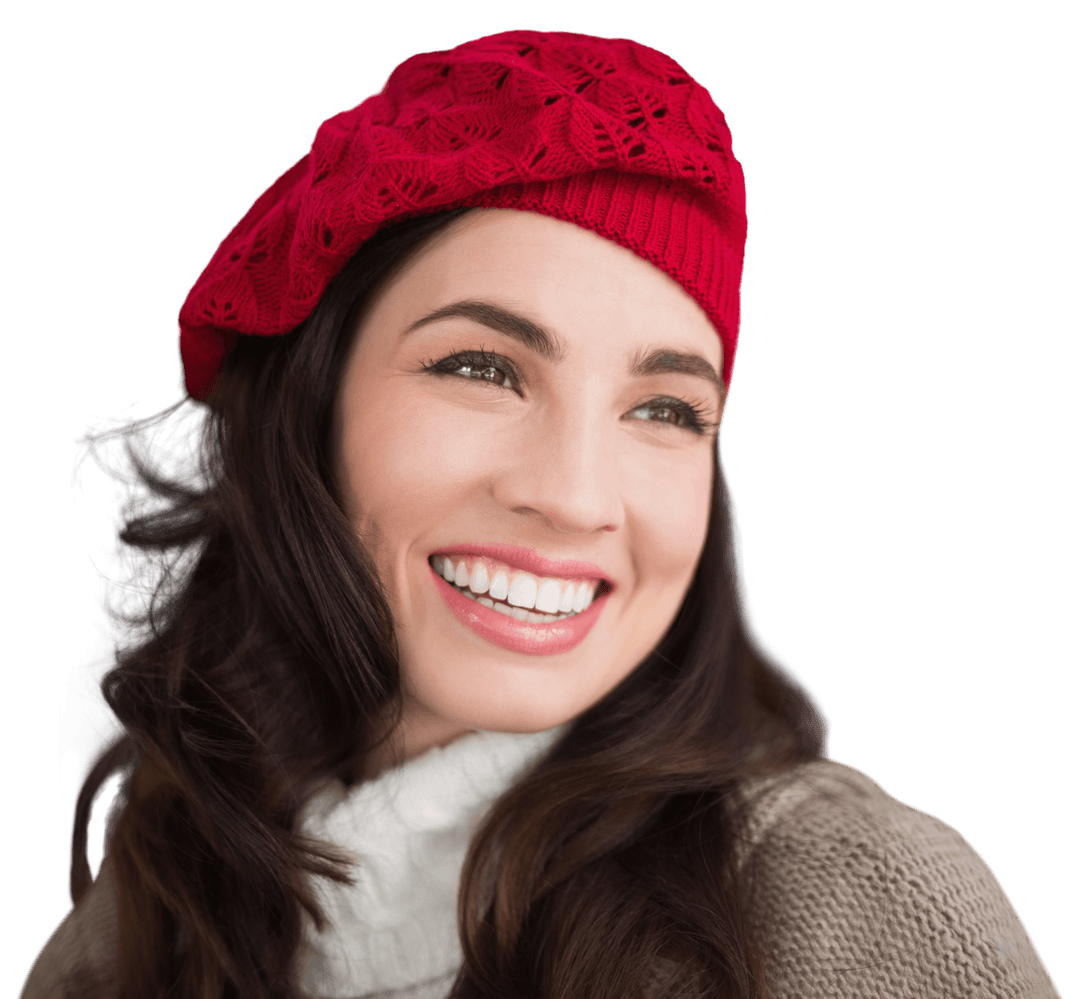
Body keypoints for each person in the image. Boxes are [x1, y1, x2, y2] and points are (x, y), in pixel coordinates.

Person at [21, 28, 1059, 999]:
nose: (570, 495)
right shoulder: (136, 917)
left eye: (665, 408)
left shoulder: (853, 898)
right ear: (308, 410)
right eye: (482, 368)